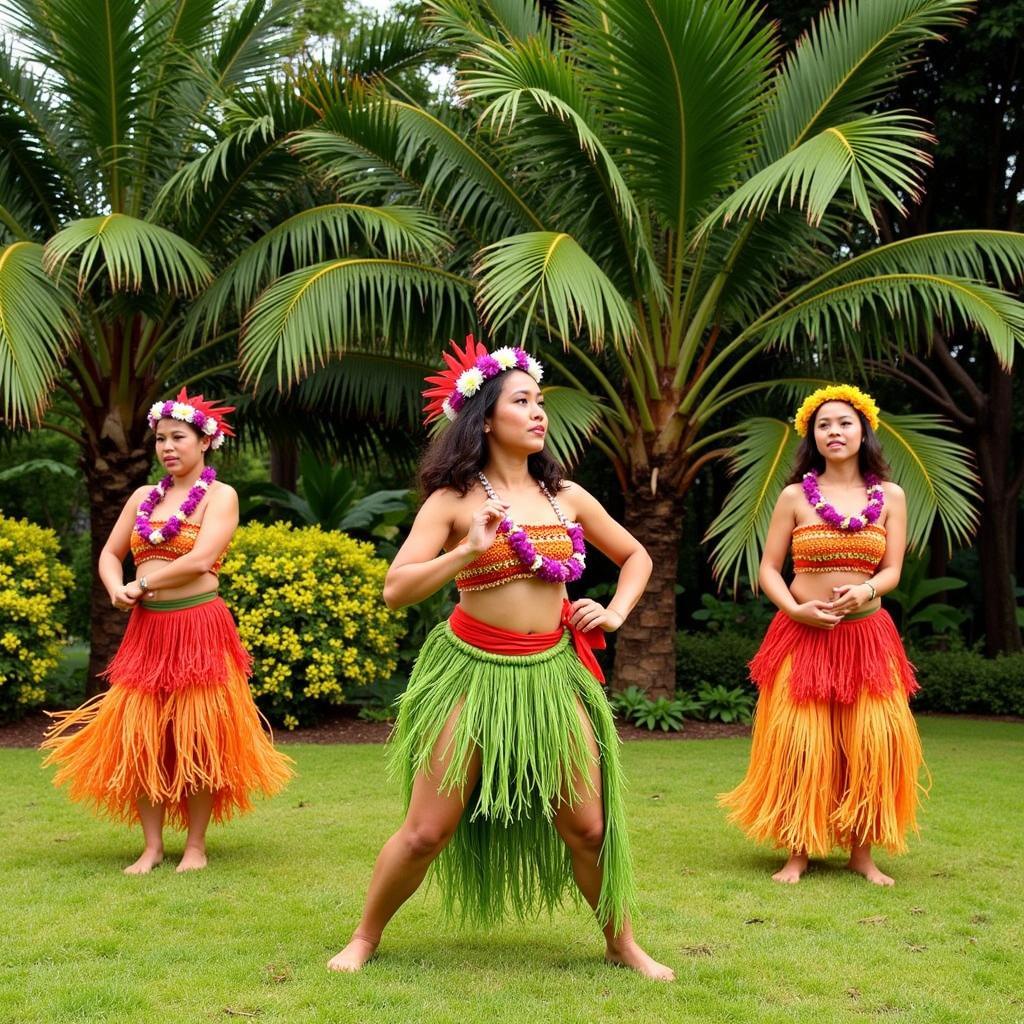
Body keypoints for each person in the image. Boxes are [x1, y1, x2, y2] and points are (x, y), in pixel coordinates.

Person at [328, 336, 673, 980]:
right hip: (470, 674)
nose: (540, 412)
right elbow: (396, 588)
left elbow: (637, 556)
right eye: (523, 401)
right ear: (485, 418)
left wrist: (616, 613)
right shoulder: (454, 501)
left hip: (550, 676)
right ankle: (365, 937)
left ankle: (621, 942)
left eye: (541, 401)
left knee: (590, 830)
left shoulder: (564, 497)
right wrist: (465, 550)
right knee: (427, 831)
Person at [42, 388, 293, 873]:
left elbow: (201, 559)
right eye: (161, 439)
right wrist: (116, 587)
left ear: (205, 442)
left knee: (200, 734)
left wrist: (144, 581)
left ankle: (195, 847)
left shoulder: (221, 497)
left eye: (178, 437)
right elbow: (110, 554)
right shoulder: (142, 496)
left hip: (199, 625)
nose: (167, 447)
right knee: (144, 735)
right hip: (147, 630)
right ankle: (152, 847)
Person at [719, 384, 926, 885]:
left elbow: (894, 569)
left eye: (844, 423)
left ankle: (862, 853)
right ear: (812, 437)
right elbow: (769, 568)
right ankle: (798, 851)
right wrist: (796, 608)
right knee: (801, 742)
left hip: (866, 635)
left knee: (871, 742)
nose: (834, 432)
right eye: (824, 425)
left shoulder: (890, 497)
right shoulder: (794, 496)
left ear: (864, 431)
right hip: (801, 633)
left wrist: (867, 590)